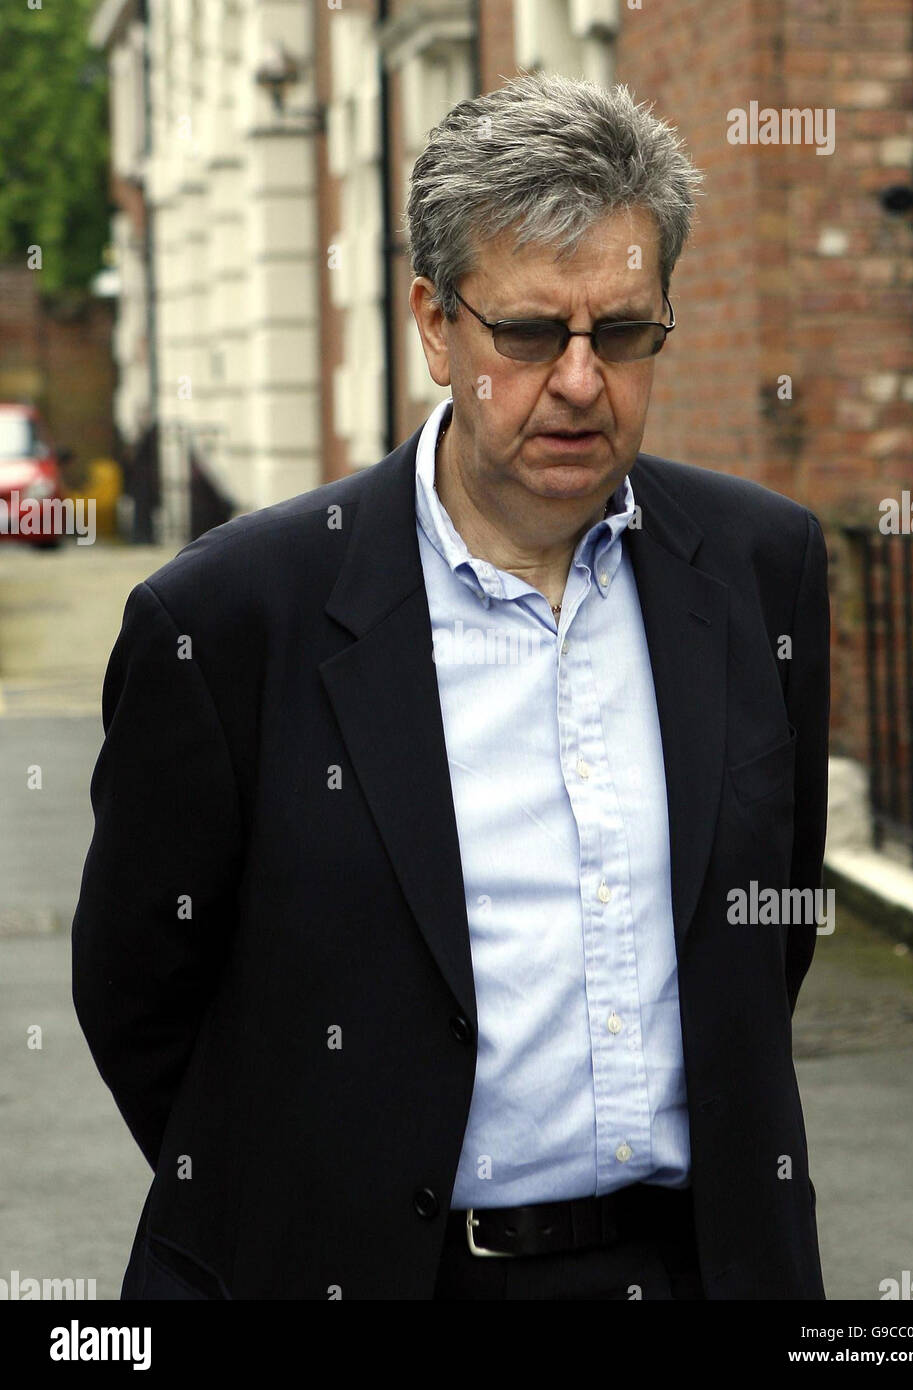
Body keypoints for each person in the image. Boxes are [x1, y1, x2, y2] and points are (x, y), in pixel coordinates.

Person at [72, 70, 830, 1301]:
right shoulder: (229, 616)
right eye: (530, 335)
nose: (580, 381)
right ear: (435, 325)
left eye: (623, 332)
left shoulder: (762, 567)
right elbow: (138, 994)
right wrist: (318, 1200)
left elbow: (768, 925)